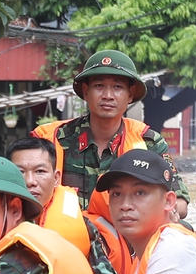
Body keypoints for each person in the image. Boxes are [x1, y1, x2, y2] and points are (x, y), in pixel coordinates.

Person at [31, 50, 170, 219]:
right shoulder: (50, 140)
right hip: (61, 240)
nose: (108, 96)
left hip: (125, 239)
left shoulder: (149, 142)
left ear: (130, 94)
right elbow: (23, 197)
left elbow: (178, 202)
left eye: (117, 87)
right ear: (86, 91)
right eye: (99, 86)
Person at [4, 135, 128, 274]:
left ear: (56, 179)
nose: (30, 181)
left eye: (39, 171)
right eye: (20, 172)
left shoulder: (82, 227)